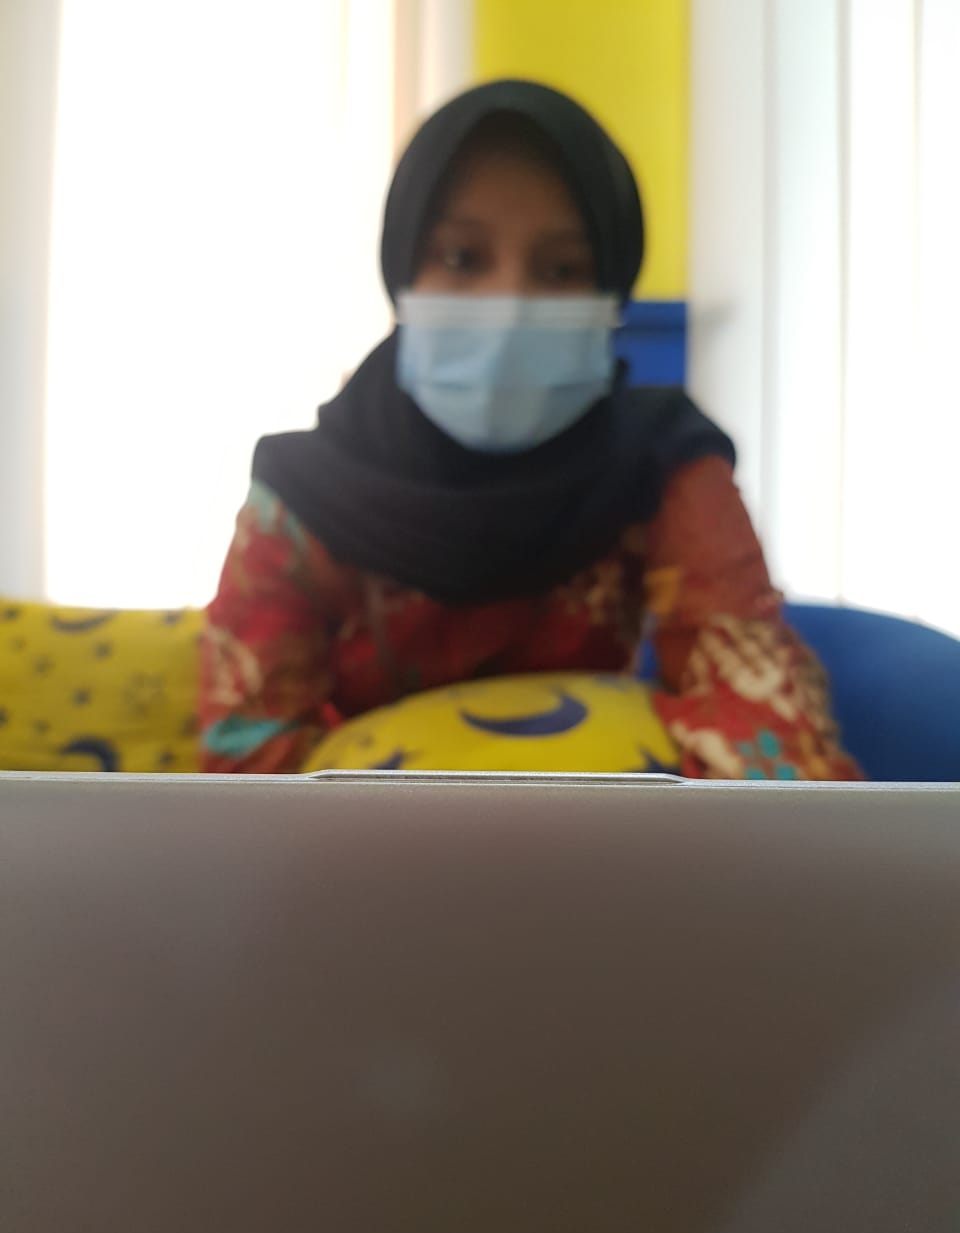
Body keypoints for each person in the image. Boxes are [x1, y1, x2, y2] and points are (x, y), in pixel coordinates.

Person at [199, 79, 860, 782]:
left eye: (562, 269)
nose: (509, 302)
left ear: (611, 292)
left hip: (600, 847)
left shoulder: (661, 462)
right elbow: (248, 775)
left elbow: (765, 721)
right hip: (373, 851)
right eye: (462, 258)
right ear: (403, 272)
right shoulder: (302, 499)